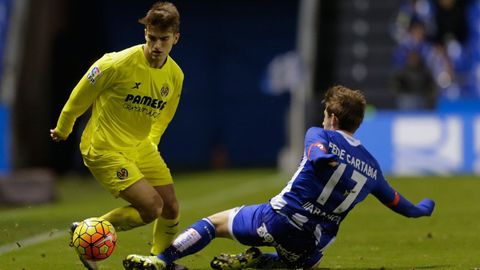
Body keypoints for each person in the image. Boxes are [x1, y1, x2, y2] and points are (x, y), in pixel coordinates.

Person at [122, 85, 436, 270]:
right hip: (311, 243)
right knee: (301, 263)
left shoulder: (319, 135)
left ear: (333, 118)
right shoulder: (372, 167)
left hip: (278, 218)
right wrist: (423, 208)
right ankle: (256, 261)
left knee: (213, 223)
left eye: (326, 113)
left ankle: (162, 260)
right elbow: (400, 205)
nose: (323, 118)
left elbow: (315, 151)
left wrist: (323, 158)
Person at [50, 2, 184, 269]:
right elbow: (80, 96)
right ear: (145, 33)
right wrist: (64, 127)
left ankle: (159, 260)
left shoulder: (175, 75)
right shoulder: (116, 63)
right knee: (151, 208)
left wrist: (151, 144)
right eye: (152, 38)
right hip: (104, 147)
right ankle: (88, 234)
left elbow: (164, 115)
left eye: (164, 40)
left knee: (171, 207)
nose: (157, 46)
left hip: (140, 146)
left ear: (175, 38)